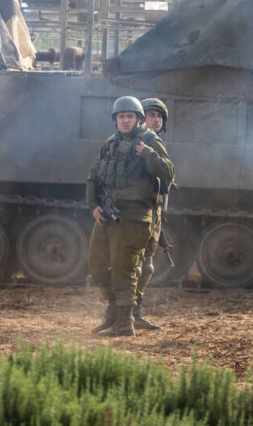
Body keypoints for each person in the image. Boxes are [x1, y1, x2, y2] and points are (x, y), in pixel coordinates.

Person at [87, 96, 175, 337]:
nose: (125, 120)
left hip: (135, 214)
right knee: (97, 265)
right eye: (121, 117)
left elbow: (169, 171)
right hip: (108, 213)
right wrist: (93, 204)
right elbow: (94, 176)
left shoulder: (149, 140)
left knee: (126, 269)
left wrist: (147, 154)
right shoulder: (110, 142)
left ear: (137, 119)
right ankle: (115, 312)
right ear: (115, 120)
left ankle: (125, 323)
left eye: (130, 116)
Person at [132, 97, 172, 331]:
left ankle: (136, 313)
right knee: (135, 266)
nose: (155, 120)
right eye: (151, 115)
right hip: (138, 212)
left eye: (159, 116)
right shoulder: (137, 143)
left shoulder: (155, 143)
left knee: (147, 267)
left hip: (153, 211)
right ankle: (123, 314)